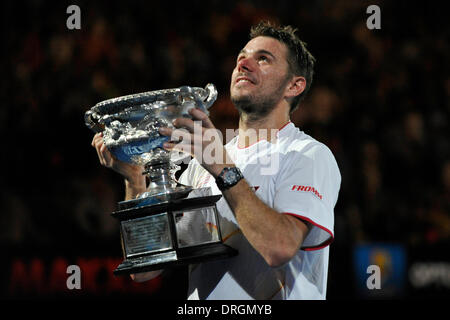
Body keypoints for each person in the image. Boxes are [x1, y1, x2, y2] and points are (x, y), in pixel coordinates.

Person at [92, 21, 341, 300]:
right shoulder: (202, 160)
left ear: (294, 85)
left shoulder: (308, 154)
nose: (244, 64)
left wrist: (222, 168)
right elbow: (144, 269)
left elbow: (280, 248)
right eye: (241, 57)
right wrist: (136, 181)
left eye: (263, 59)